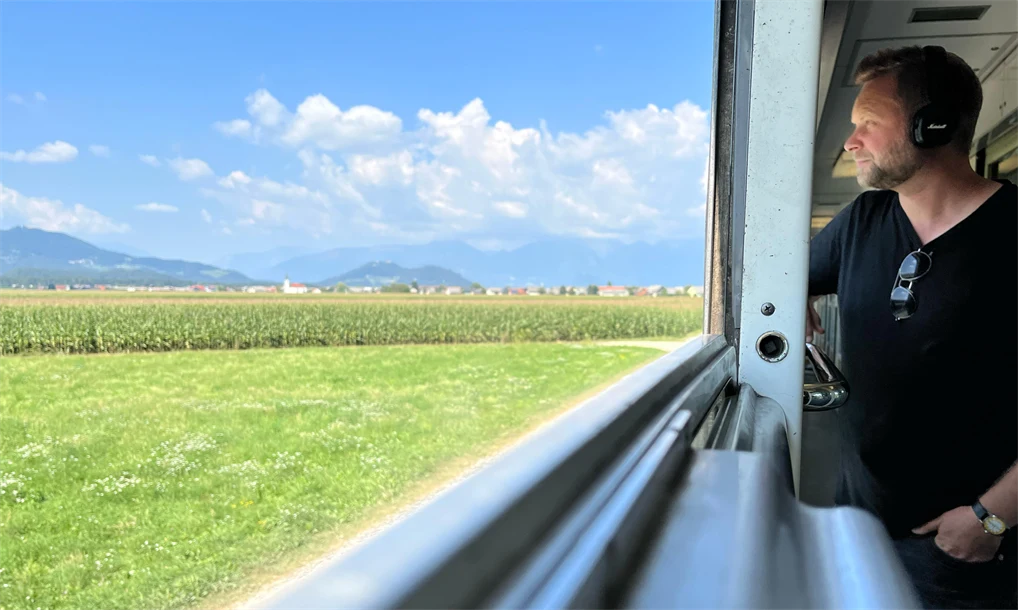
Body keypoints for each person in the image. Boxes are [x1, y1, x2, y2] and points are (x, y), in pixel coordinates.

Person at [807, 45, 1018, 610]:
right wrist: (788, 300)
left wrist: (990, 519)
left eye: (868, 125)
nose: (851, 142)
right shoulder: (864, 219)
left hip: (962, 550)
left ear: (934, 126)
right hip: (857, 526)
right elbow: (777, 279)